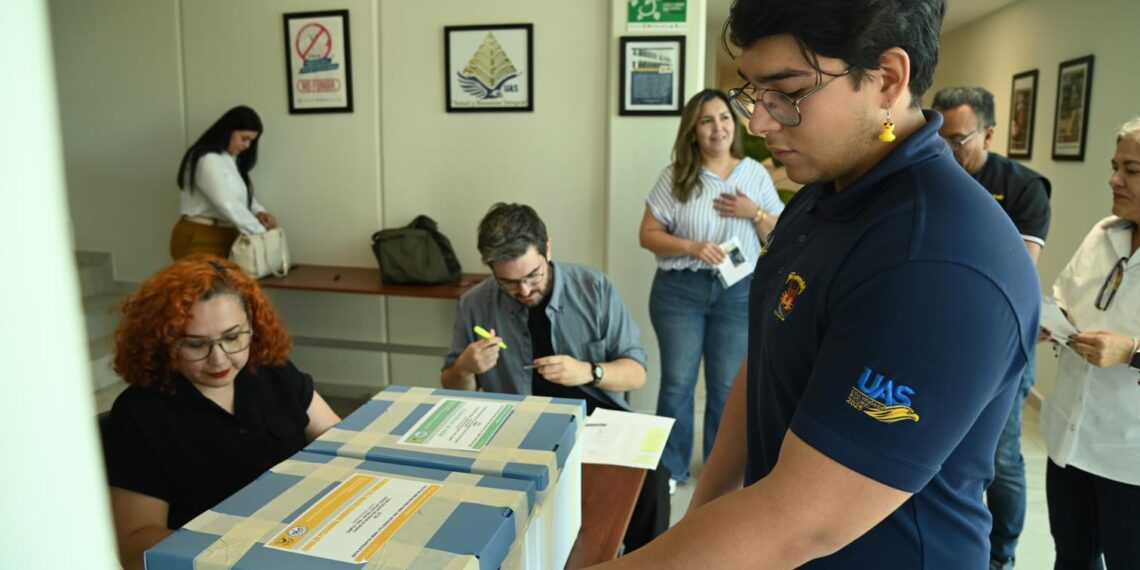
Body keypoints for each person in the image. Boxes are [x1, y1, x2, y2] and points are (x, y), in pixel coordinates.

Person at [595, 0, 1040, 567]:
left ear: (887, 79)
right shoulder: (819, 197)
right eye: (754, 93)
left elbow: (797, 524)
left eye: (788, 91)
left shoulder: (939, 261)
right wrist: (703, 516)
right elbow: (764, 365)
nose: (758, 123)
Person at [441, 203, 670, 552]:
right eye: (508, 282)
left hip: (595, 419)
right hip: (517, 424)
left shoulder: (593, 287)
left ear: (547, 249)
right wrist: (465, 369)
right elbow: (451, 385)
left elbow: (636, 374)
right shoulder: (475, 302)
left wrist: (587, 371)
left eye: (533, 275)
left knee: (652, 477)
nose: (524, 290)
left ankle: (645, 560)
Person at [102, 255, 340, 570]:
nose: (219, 360)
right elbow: (135, 545)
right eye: (195, 345)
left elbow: (343, 447)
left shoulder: (273, 373)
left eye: (232, 337)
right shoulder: (140, 415)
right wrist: (233, 556)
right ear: (163, 342)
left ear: (252, 327)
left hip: (305, 541)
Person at [638, 89, 784, 491]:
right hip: (679, 292)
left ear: (734, 124)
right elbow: (647, 235)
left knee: (726, 386)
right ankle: (671, 471)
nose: (717, 127)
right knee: (677, 384)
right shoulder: (676, 176)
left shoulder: (754, 172)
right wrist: (691, 247)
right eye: (707, 120)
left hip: (738, 293)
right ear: (693, 130)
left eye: (723, 117)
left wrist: (752, 212)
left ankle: (721, 476)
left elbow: (780, 233)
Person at [932, 85, 1052, 570]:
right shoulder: (927, 176)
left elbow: (1015, 274)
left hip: (998, 346)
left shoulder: (1023, 186)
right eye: (939, 137)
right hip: (934, 337)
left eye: (958, 139)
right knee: (938, 454)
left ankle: (1000, 557)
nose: (947, 149)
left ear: (989, 134)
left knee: (998, 461)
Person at [1039, 117, 1140, 569]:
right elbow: (1067, 298)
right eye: (1114, 165)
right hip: (1070, 442)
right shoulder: (1104, 234)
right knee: (1073, 558)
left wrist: (1134, 350)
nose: (1113, 179)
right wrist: (1049, 321)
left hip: (1130, 459)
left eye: (1132, 169)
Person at [170, 105, 277, 260]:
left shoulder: (228, 159)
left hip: (227, 236)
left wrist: (258, 211)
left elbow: (239, 194)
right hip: (201, 237)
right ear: (228, 131)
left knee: (228, 285)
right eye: (244, 138)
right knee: (204, 284)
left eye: (251, 141)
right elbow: (226, 202)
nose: (247, 145)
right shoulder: (207, 158)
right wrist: (260, 231)